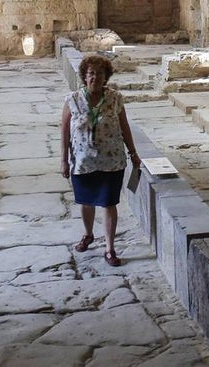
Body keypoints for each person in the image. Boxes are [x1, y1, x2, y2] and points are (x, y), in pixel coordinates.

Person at [60, 54, 141, 266]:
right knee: (86, 201)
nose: (95, 77)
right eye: (91, 73)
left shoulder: (115, 98)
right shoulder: (72, 100)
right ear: (85, 76)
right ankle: (88, 234)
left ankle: (109, 248)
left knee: (109, 203)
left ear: (106, 77)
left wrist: (133, 152)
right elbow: (64, 131)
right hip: (82, 160)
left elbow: (124, 126)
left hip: (111, 161)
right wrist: (64, 160)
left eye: (99, 74)